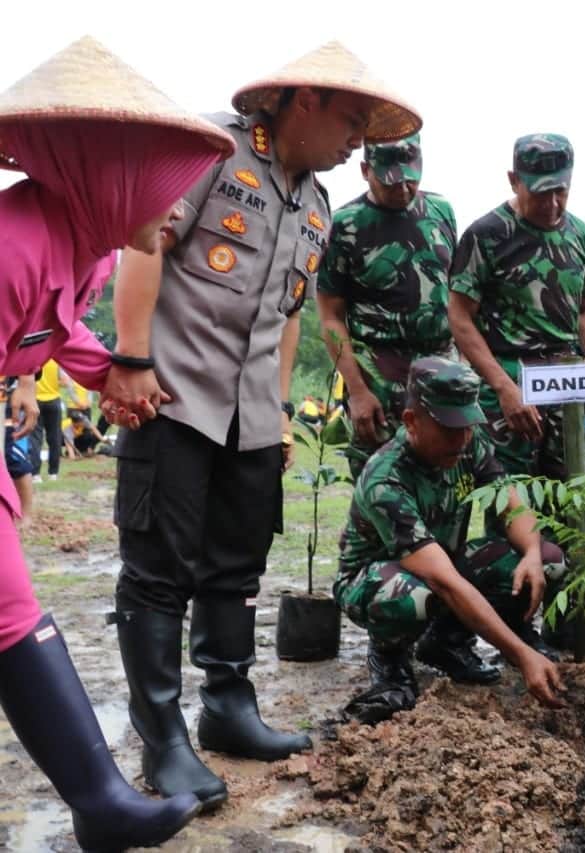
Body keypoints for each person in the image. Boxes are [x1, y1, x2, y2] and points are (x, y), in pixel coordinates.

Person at [103, 41, 422, 811]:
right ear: (302, 101)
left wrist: (277, 408)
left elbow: (285, 317)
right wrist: (133, 356)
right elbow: (144, 242)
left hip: (247, 415)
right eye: (350, 120)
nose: (358, 143)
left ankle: (227, 705)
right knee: (158, 569)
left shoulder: (315, 203)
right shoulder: (210, 149)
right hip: (173, 398)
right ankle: (162, 736)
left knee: (236, 563)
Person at [0, 36, 234, 849]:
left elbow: (54, 331)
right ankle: (99, 800)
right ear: (112, 178)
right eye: (164, 193)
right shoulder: (14, 244)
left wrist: (111, 376)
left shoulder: (84, 247)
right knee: (6, 604)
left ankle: (99, 801)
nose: (174, 213)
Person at [335, 357, 565, 713]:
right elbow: (443, 581)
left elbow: (511, 505)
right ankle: (389, 658)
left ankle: (446, 642)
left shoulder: (468, 444)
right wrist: (521, 656)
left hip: (442, 562)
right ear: (412, 421)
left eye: (468, 426)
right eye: (449, 428)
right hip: (379, 580)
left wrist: (533, 554)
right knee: (413, 597)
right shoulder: (386, 478)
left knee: (548, 560)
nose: (462, 439)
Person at [447, 134, 585, 649]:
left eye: (561, 191)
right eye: (540, 193)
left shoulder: (581, 234)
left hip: (564, 394)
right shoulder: (487, 235)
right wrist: (502, 386)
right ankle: (514, 631)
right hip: (506, 398)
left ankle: (569, 626)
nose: (552, 204)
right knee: (510, 511)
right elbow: (460, 316)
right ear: (514, 181)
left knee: (569, 506)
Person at [317, 132, 457, 480]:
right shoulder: (345, 224)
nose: (404, 190)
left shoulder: (441, 211)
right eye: (392, 182)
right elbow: (331, 316)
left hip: (439, 372)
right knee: (379, 487)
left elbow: (457, 295)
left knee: (443, 482)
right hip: (378, 377)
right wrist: (358, 391)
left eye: (411, 179)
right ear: (366, 170)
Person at [3, 376, 37, 524]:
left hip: (6, 403)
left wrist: (26, 386)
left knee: (13, 458)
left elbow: (28, 366)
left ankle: (25, 515)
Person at [29, 360, 70, 482]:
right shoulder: (56, 361)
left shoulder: (34, 361)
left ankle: (36, 474)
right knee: (55, 438)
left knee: (36, 438)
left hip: (36, 401)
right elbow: (66, 382)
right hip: (54, 401)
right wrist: (54, 384)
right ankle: (53, 473)